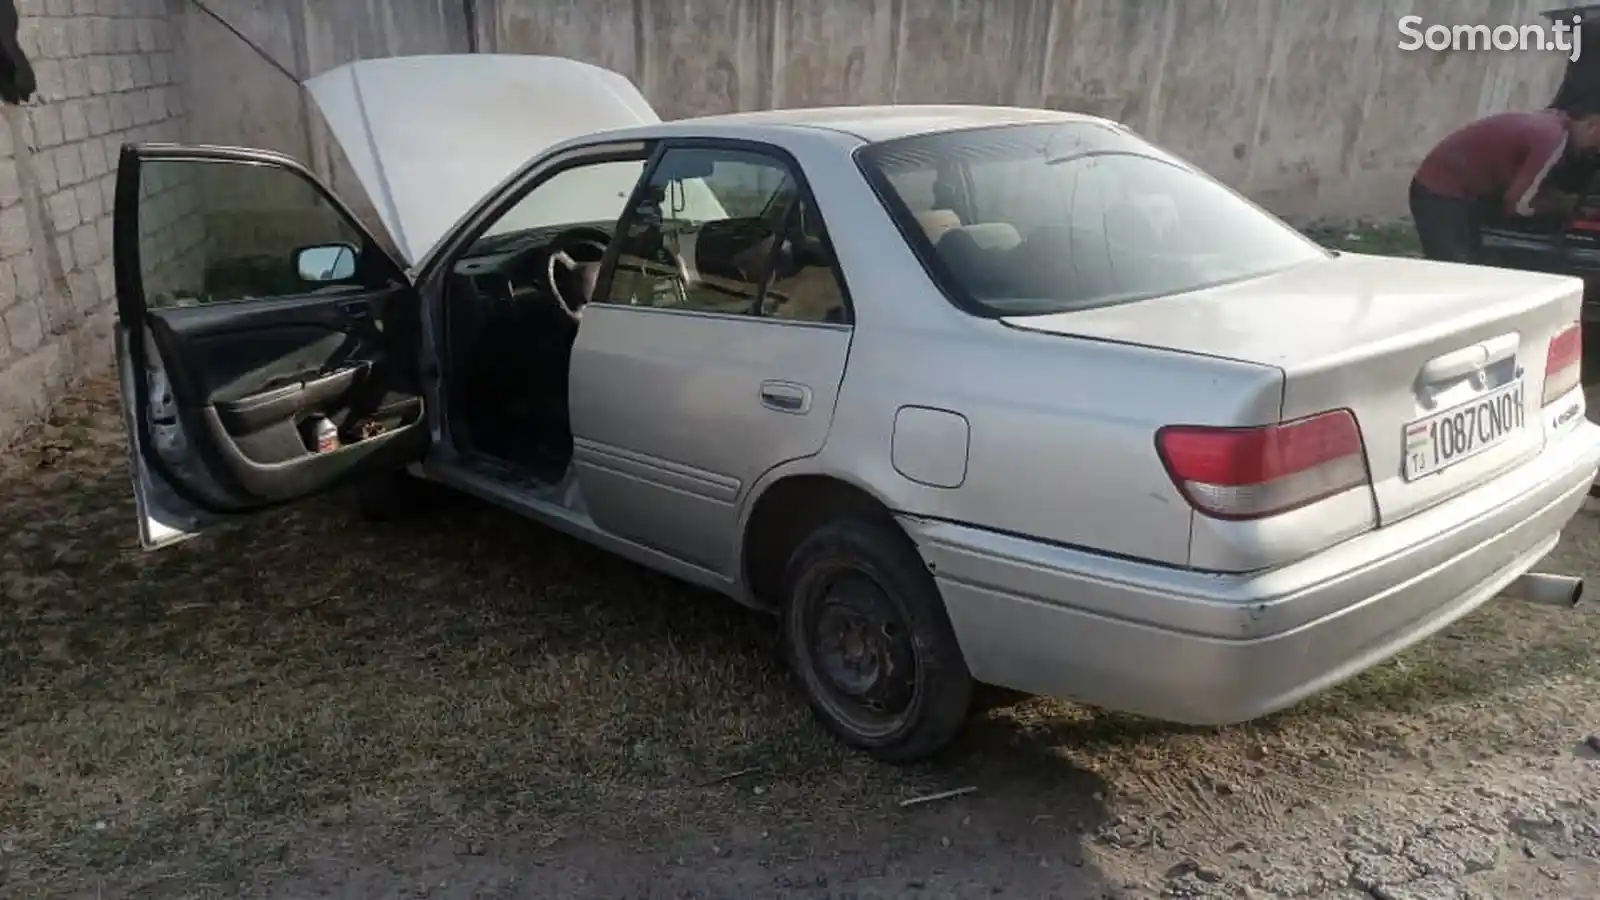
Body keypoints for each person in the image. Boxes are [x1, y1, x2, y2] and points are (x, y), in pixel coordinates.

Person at [1410, 108, 1600, 262]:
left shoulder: (1554, 122)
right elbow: (1517, 205)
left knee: (1465, 266)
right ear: (1592, 125)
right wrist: (1559, 205)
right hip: (1441, 191)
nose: (1597, 151)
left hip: (1454, 190)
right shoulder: (1552, 140)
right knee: (1454, 269)